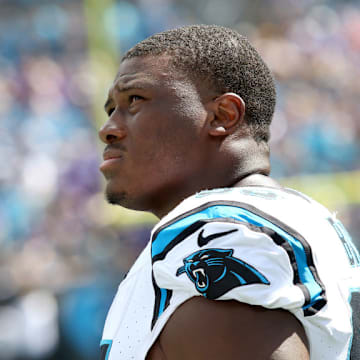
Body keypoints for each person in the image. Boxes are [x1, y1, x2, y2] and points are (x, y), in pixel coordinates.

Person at [98, 25, 359, 360]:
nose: (108, 129)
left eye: (135, 100)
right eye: (110, 110)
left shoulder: (220, 232)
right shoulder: (295, 218)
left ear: (223, 115)